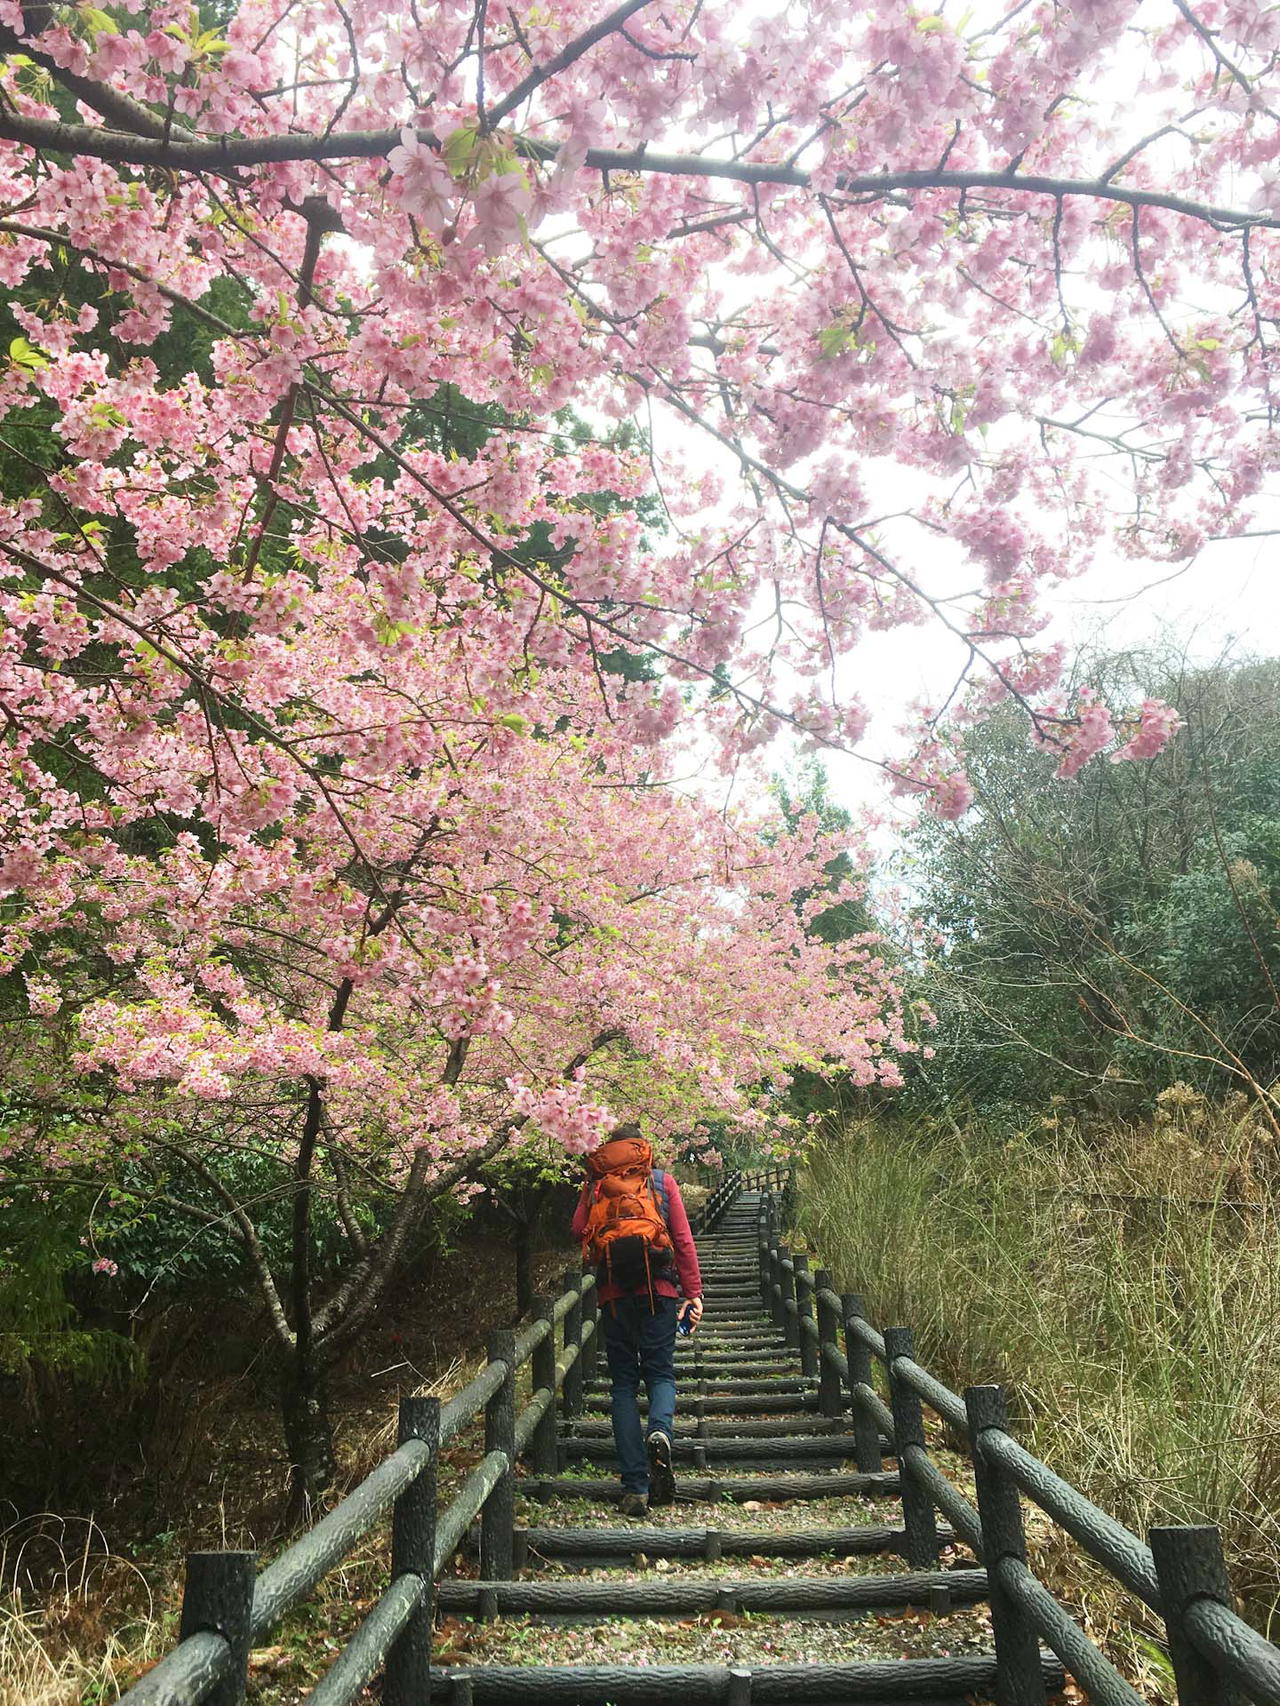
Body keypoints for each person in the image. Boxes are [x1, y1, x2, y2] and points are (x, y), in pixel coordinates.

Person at [572, 1123, 703, 1517]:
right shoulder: (660, 1181)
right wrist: (692, 1292)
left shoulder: (596, 1184)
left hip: (614, 1297)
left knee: (623, 1386)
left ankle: (635, 1488)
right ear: (641, 1147)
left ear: (608, 1150)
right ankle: (660, 1430)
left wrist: (592, 1194)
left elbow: (578, 1230)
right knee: (661, 1374)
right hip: (659, 1293)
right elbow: (681, 1239)